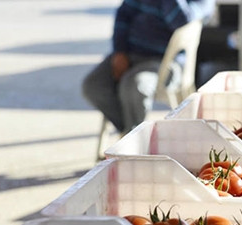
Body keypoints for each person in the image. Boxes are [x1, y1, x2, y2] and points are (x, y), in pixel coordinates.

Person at [82, 0, 215, 134]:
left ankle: (134, 138)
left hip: (164, 63)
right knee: (93, 86)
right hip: (130, 53)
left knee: (135, 86)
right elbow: (124, 14)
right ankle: (132, 132)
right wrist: (120, 52)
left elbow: (180, 21)